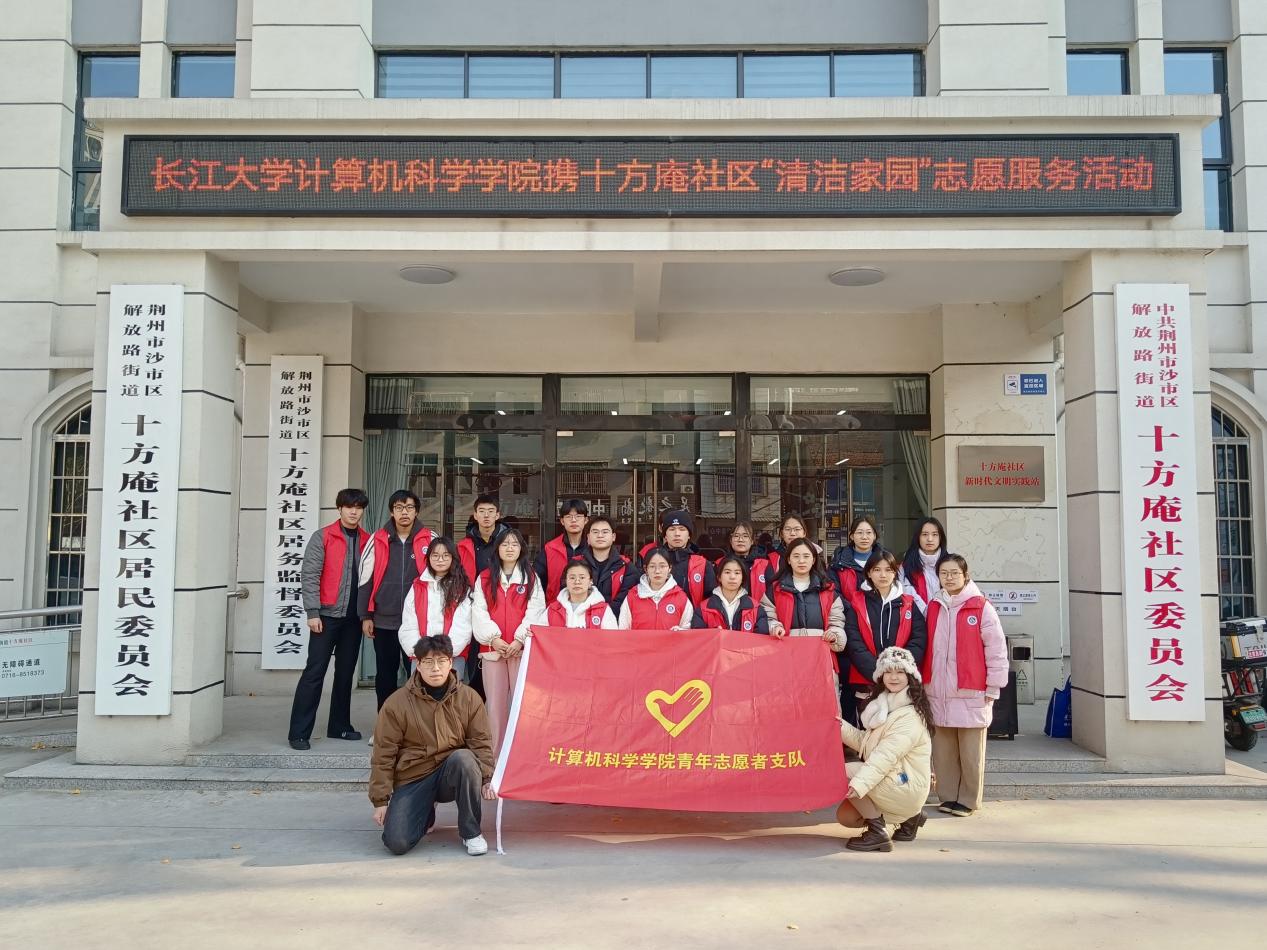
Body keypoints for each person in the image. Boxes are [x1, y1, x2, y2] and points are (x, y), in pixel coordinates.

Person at [370, 635, 495, 857]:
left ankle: (471, 832)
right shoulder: (396, 703)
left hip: (450, 773)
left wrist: (486, 778)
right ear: (418, 665)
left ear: (450, 662)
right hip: (413, 777)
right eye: (428, 662)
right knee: (397, 843)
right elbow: (383, 753)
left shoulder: (469, 698)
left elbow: (480, 742)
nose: (435, 668)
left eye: (441, 661)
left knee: (465, 759)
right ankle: (425, 811)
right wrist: (380, 800)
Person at [924, 553, 1008, 818]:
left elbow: (996, 650)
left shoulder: (981, 607)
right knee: (944, 752)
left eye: (954, 573)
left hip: (972, 691)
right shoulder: (933, 607)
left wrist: (994, 686)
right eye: (944, 573)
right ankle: (948, 796)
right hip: (938, 691)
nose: (949, 578)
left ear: (965, 575)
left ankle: (969, 799)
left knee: (971, 752)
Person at [287, 488, 370, 751]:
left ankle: (339, 726)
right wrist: (312, 612)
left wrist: (367, 614)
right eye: (349, 507)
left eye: (358, 507)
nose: (353, 512)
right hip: (325, 617)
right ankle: (299, 732)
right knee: (314, 672)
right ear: (339, 509)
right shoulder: (323, 536)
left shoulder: (368, 540)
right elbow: (310, 575)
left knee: (345, 674)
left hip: (353, 620)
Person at [836, 646, 934, 852]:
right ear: (881, 676)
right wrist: (838, 726)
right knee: (847, 817)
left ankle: (878, 834)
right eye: (888, 671)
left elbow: (884, 757)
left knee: (842, 773)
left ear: (910, 677)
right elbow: (867, 743)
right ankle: (910, 818)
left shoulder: (909, 717)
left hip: (905, 784)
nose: (894, 677)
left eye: (900, 672)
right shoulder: (885, 705)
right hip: (896, 780)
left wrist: (860, 783)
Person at [358, 490, 434, 719]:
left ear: (416, 511)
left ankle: (417, 724)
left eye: (409, 507)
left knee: (419, 674)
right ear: (392, 511)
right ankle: (386, 724)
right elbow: (365, 578)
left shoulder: (429, 538)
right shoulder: (378, 538)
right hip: (384, 620)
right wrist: (366, 615)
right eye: (399, 507)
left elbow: (442, 576)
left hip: (418, 621)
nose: (404, 512)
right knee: (385, 675)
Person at [471, 529, 546, 757]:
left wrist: (519, 639)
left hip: (520, 651)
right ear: (497, 549)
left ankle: (521, 757)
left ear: (522, 548)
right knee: (495, 705)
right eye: (505, 544)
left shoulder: (531, 577)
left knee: (522, 704)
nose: (510, 548)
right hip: (493, 651)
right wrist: (493, 639)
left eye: (515, 544)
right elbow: (479, 611)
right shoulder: (485, 578)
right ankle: (495, 759)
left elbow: (536, 611)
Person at [843, 549, 928, 693]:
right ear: (869, 573)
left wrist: (899, 670)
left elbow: (918, 639)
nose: (883, 575)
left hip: (901, 680)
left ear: (895, 572)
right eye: (877, 570)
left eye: (888, 570)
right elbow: (854, 642)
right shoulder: (857, 602)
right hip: (866, 681)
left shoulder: (908, 603)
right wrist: (878, 671)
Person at [398, 537, 475, 681]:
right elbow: (409, 623)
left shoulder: (462, 588)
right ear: (428, 558)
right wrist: (420, 650)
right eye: (435, 555)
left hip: (452, 656)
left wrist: (445, 652)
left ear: (453, 558)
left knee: (451, 693)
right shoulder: (418, 586)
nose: (440, 560)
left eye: (446, 555)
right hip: (421, 656)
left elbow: (463, 626)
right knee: (420, 693)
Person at [761, 537, 845, 653]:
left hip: (819, 654)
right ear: (788, 560)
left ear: (813, 560)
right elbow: (766, 617)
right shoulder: (775, 590)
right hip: (785, 653)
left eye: (806, 556)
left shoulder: (827, 590)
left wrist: (834, 635)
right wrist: (774, 627)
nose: (801, 561)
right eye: (796, 556)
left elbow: (837, 623)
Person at [639, 509, 716, 609]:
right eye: (672, 529)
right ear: (665, 535)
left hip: (693, 617)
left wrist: (697, 617)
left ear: (689, 535)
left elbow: (710, 600)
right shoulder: (652, 560)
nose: (677, 533)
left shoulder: (702, 565)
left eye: (682, 529)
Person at [618, 547, 694, 630]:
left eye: (662, 566)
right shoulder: (632, 597)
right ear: (645, 569)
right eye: (652, 566)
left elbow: (688, 630)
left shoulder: (681, 598)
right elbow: (623, 630)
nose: (657, 571)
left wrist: (680, 632)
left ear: (669, 568)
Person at [692, 555, 770, 633]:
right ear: (719, 577)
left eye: (737, 573)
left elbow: (761, 636)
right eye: (727, 572)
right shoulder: (703, 609)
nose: (732, 577)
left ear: (742, 578)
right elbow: (698, 636)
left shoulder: (756, 608)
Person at [580, 514, 639, 611]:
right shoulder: (576, 564)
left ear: (613, 537)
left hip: (614, 619)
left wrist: (605, 616)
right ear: (588, 538)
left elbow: (626, 600)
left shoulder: (626, 567)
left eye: (605, 532)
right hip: (582, 618)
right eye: (595, 532)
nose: (600, 535)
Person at [536, 498, 589, 601]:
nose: (573, 520)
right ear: (562, 521)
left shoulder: (593, 548)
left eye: (578, 516)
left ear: (586, 520)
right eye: (568, 516)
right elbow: (537, 582)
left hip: (588, 606)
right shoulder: (550, 548)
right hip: (555, 606)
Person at [547, 559, 619, 628]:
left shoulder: (603, 610)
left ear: (590, 581)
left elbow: (612, 635)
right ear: (566, 581)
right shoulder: (552, 609)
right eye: (572, 578)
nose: (577, 582)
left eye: (582, 577)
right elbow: (541, 633)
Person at [457, 494, 511, 584]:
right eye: (481, 511)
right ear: (475, 515)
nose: (486, 515)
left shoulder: (510, 543)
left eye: (491, 511)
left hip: (503, 591)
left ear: (497, 515)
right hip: (473, 591)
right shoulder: (463, 546)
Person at [899, 517, 949, 613]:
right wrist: (927, 613)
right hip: (918, 618)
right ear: (917, 537)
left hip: (947, 617)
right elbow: (907, 593)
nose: (930, 539)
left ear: (941, 537)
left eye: (935, 534)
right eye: (925, 534)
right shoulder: (907, 565)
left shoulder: (951, 563)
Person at [720, 520, 772, 605]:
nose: (740, 540)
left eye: (745, 536)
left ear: (752, 541)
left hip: (758, 611)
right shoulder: (721, 564)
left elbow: (771, 596)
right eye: (736, 536)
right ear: (730, 540)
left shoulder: (764, 565)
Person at [830, 514, 880, 600]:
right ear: (852, 536)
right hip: (846, 608)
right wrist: (850, 608)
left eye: (869, 532)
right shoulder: (839, 562)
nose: (864, 537)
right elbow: (834, 592)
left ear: (874, 536)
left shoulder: (884, 559)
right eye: (860, 532)